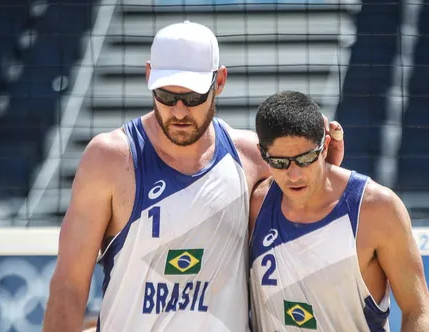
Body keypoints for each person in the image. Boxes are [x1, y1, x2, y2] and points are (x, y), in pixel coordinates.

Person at [42, 21, 345, 332]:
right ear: (148, 77)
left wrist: (325, 164)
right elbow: (69, 284)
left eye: (193, 96)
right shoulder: (110, 159)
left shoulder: (252, 158)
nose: (179, 111)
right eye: (166, 95)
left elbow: (310, 219)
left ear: (220, 81)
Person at [248, 90, 429, 332]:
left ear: (325, 146)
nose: (293, 175)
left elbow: (418, 310)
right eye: (280, 163)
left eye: (305, 159)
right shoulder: (256, 205)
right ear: (263, 154)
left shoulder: (376, 208)